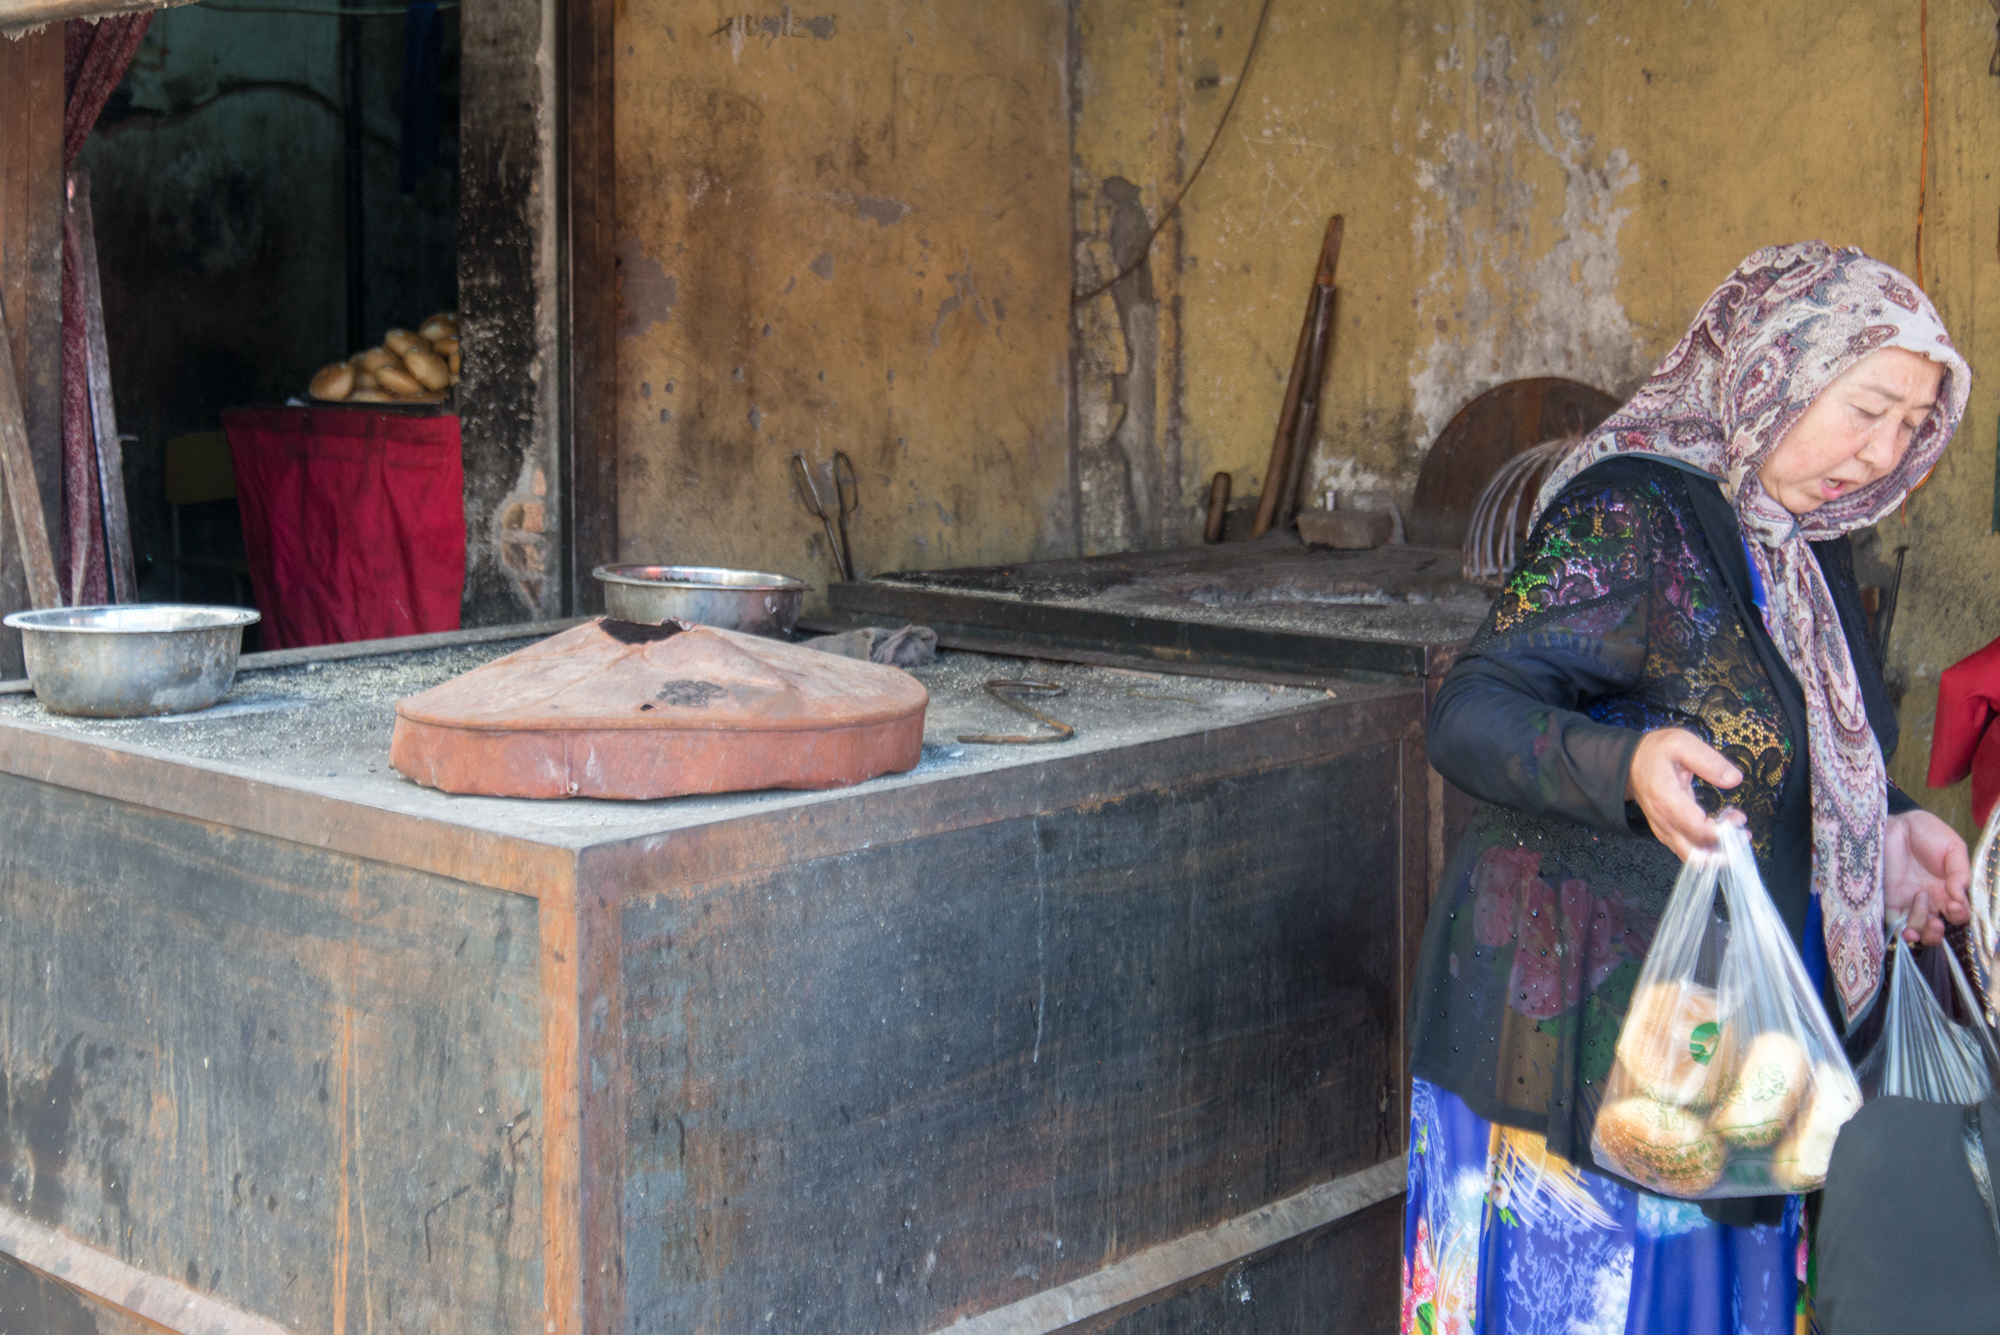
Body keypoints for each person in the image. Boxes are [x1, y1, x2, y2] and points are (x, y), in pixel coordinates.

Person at [1400, 241, 1974, 1335]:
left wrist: (1887, 828)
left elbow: (1792, 743)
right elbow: (1469, 711)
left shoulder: (1806, 545)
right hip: (1581, 1023)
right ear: (1774, 368)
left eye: (1910, 423)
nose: (1882, 448)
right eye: (1864, 406)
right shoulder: (1634, 512)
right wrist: (1624, 767)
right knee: (1595, 1299)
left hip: (1734, 1033)